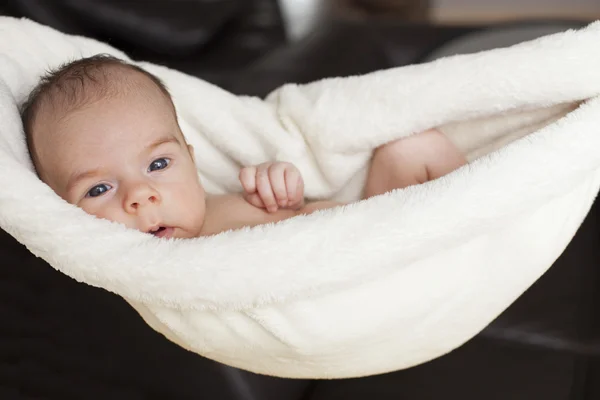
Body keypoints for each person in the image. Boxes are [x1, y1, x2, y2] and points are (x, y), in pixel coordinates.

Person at [20, 54, 466, 239]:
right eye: (98, 189)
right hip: (362, 267)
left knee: (413, 146)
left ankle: (486, 215)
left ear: (191, 162)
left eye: (158, 163)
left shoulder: (223, 200)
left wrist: (281, 185)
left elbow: (297, 205)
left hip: (384, 225)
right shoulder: (176, 265)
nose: (140, 195)